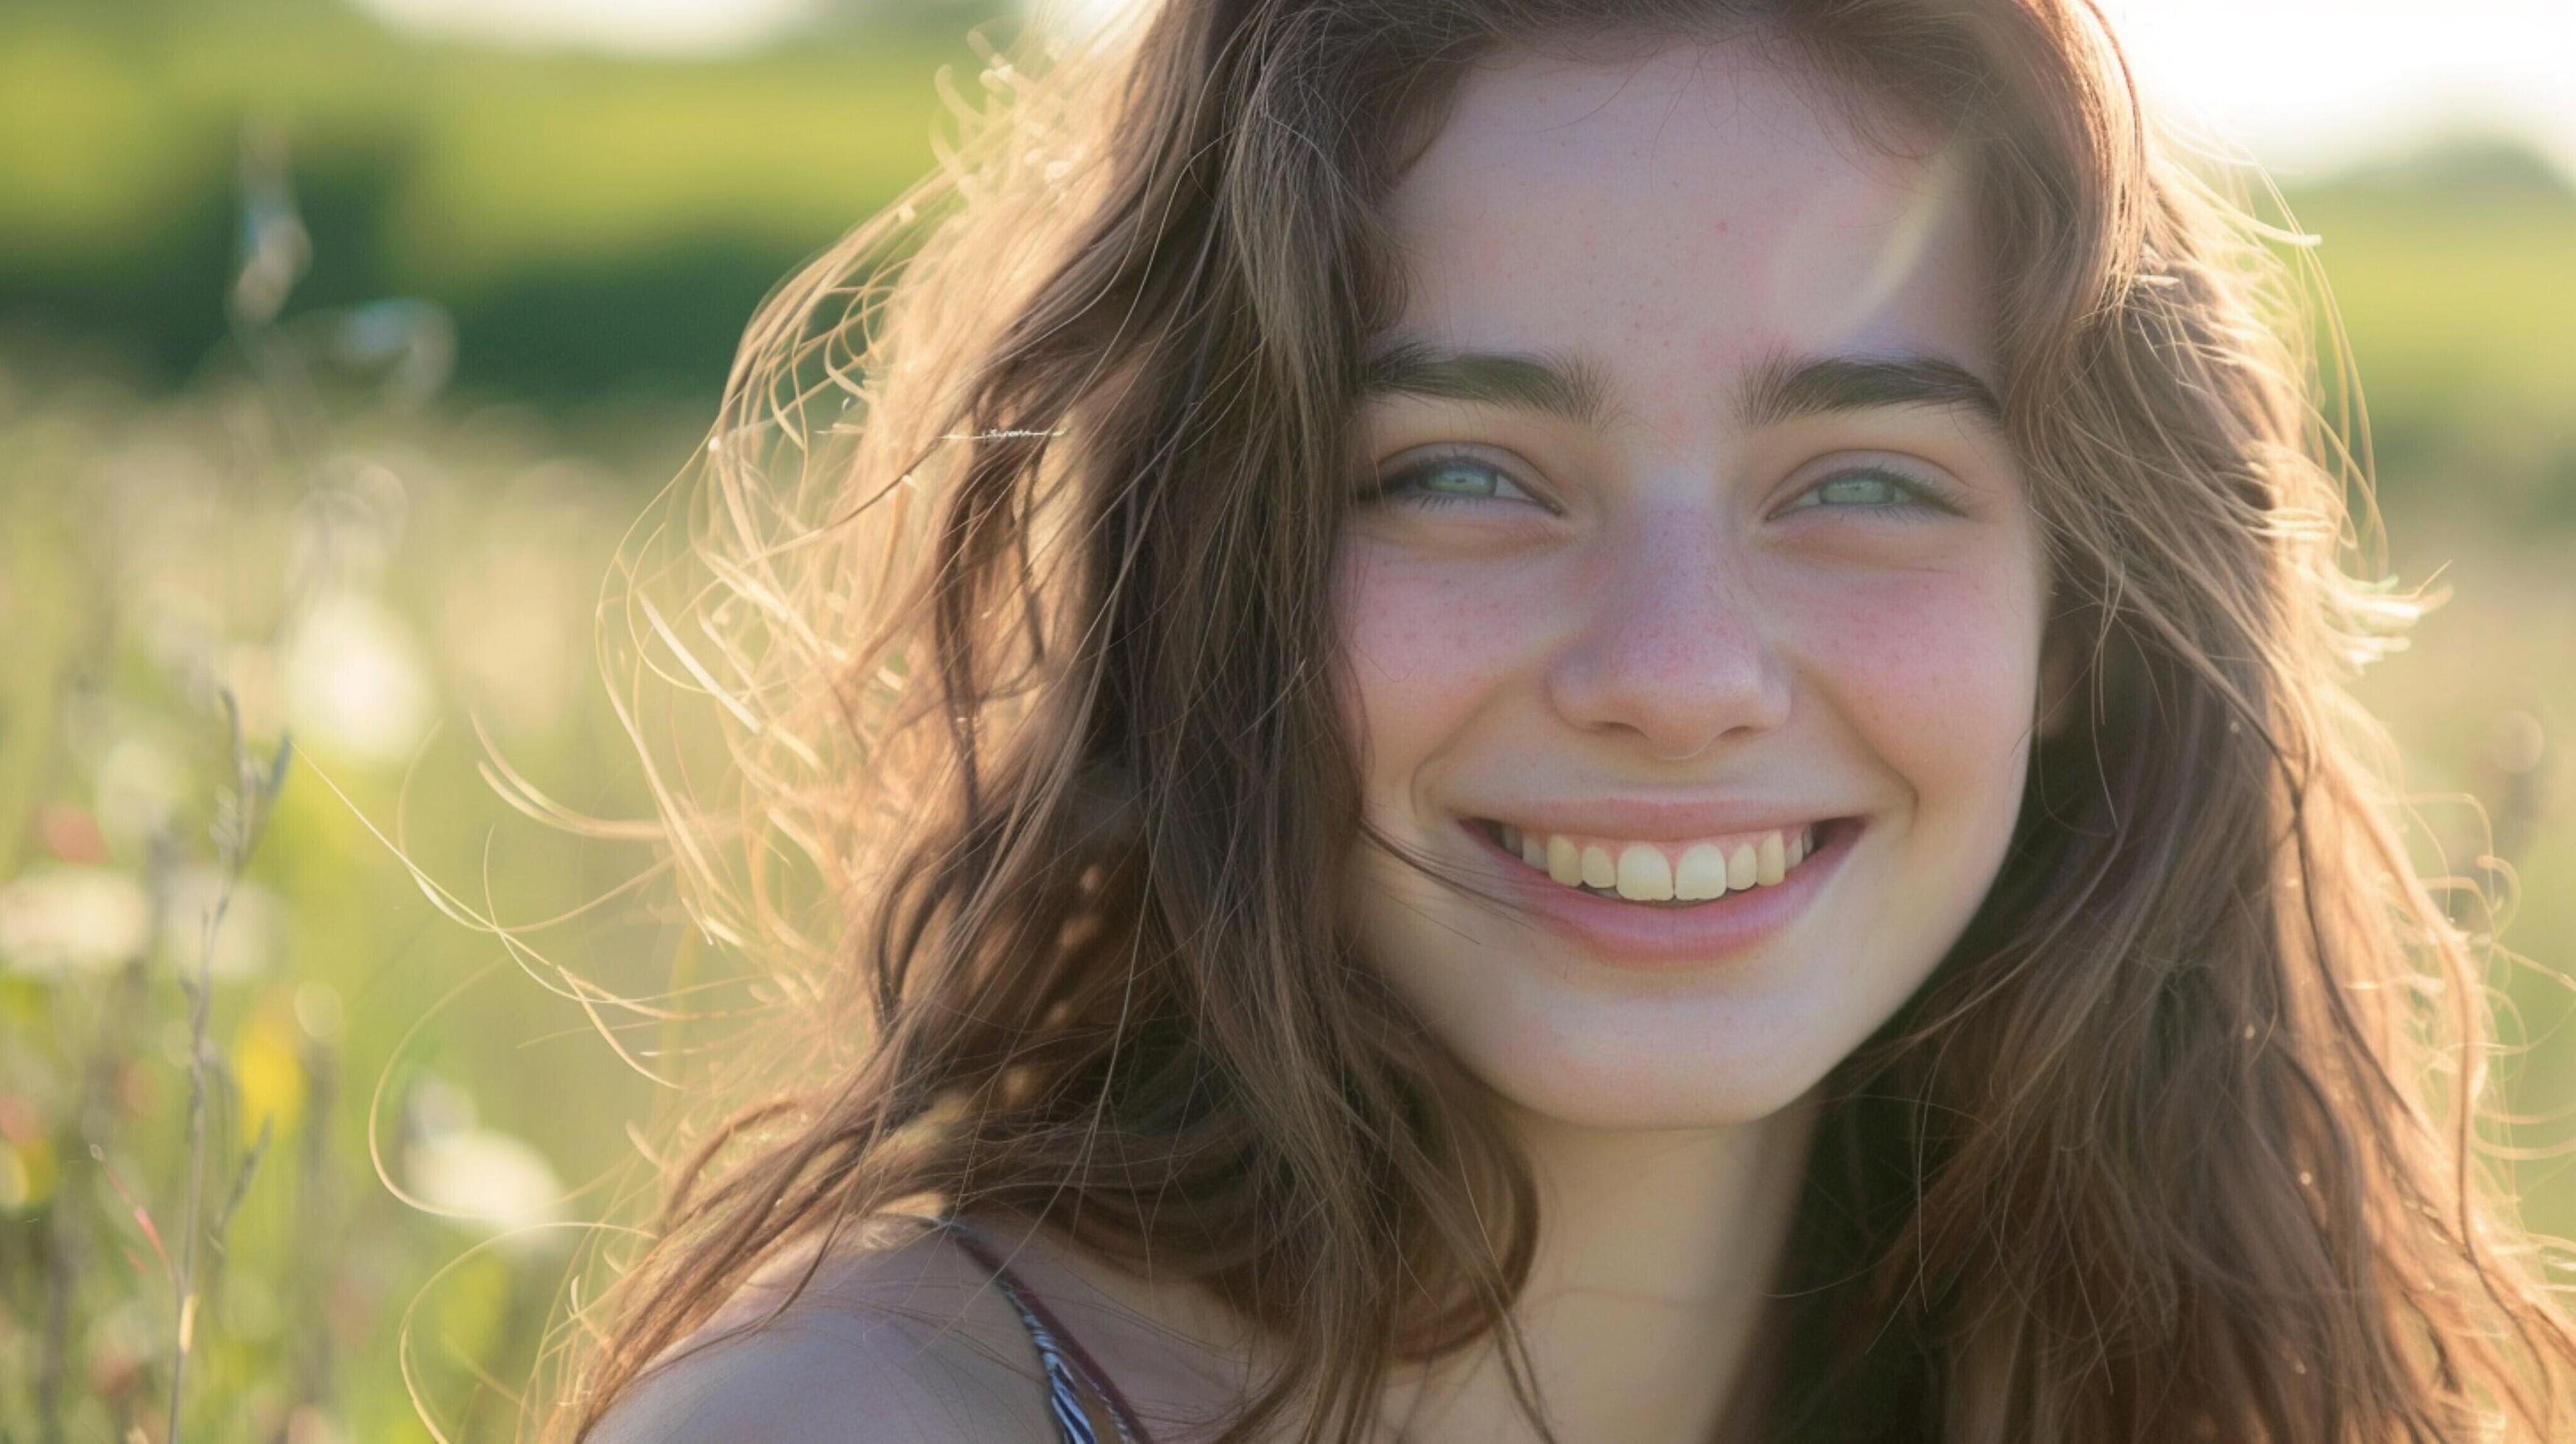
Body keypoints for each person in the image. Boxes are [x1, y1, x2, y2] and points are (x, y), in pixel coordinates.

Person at [561, 0, 2576, 1438]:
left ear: (2082, 626)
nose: (1674, 672)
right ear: (1215, 574)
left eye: (1863, 482)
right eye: (1463, 471)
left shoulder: (2185, 1384)